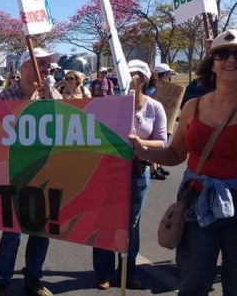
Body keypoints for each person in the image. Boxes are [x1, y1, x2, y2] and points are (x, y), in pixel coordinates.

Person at [131, 29, 237, 295]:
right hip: (196, 204)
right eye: (222, 54)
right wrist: (142, 150)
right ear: (211, 64)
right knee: (193, 282)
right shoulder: (193, 107)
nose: (231, 60)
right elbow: (176, 154)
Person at [0, 47, 61, 296]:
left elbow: (68, 126)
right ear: (24, 68)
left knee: (42, 230)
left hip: (46, 172)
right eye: (39, 64)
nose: (45, 70)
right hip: (15, 173)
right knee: (13, 231)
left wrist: (49, 100)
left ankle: (33, 277)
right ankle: (1, 277)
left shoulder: (52, 95)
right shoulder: (7, 96)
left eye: (46, 65)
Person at [92, 59, 167, 290]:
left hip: (138, 171)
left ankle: (128, 271)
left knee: (131, 224)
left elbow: (162, 142)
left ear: (142, 79)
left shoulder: (154, 107)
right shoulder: (109, 104)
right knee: (105, 220)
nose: (125, 77)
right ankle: (103, 272)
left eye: (131, 74)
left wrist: (141, 143)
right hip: (109, 171)